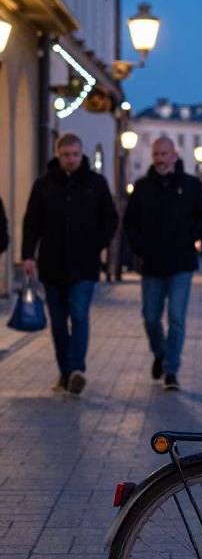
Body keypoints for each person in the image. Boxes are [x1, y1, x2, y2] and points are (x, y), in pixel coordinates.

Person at [21, 133, 117, 394]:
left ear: (81, 153)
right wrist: (28, 255)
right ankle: (64, 372)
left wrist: (97, 244)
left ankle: (76, 369)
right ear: (58, 155)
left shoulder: (95, 183)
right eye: (66, 155)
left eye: (75, 154)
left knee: (79, 313)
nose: (71, 160)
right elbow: (32, 222)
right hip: (52, 263)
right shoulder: (44, 185)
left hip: (84, 263)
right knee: (58, 321)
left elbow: (110, 218)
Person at [124, 136, 202, 391]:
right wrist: (139, 247)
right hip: (151, 263)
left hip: (181, 263)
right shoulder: (142, 187)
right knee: (151, 318)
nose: (160, 159)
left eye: (164, 154)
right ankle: (160, 352)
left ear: (174, 155)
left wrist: (192, 236)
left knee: (176, 318)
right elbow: (129, 223)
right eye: (156, 154)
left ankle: (171, 370)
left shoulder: (190, 185)